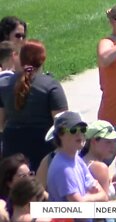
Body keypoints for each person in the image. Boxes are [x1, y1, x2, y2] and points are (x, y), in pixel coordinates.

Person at [0, 40, 68, 171]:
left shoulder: (3, 86)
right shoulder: (51, 85)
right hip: (42, 151)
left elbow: (1, 124)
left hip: (12, 152)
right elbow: (62, 125)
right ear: (43, 60)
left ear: (20, 59)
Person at [46, 111, 108, 205]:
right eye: (73, 130)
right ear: (60, 134)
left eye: (82, 129)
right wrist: (89, 197)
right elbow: (79, 207)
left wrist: (85, 198)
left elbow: (104, 196)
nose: (79, 134)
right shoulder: (63, 168)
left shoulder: (76, 159)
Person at [0, 153, 33, 220]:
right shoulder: (5, 206)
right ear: (9, 183)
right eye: (23, 176)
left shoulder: (32, 200)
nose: (29, 179)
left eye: (30, 174)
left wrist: (45, 195)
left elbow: (59, 211)